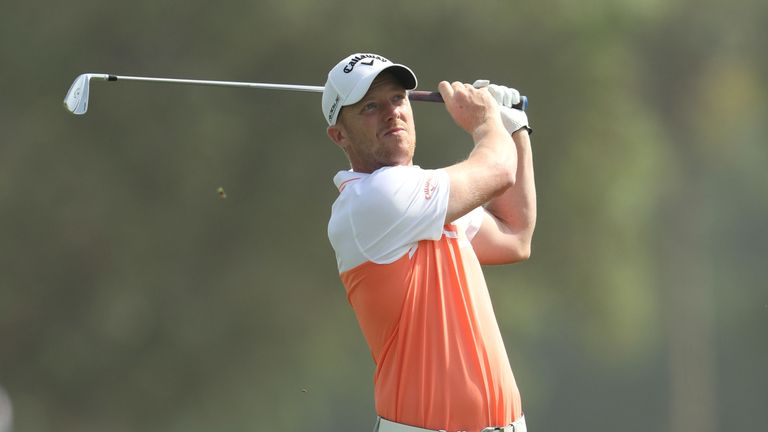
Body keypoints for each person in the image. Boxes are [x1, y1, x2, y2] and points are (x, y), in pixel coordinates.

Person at [322, 53, 536, 432]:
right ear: (339, 135)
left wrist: (515, 128)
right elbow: (498, 170)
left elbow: (514, 235)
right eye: (370, 106)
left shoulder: (423, 197)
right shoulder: (371, 200)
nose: (392, 112)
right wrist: (488, 122)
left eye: (398, 98)